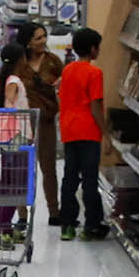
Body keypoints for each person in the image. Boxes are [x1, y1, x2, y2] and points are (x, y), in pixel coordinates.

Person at [57, 26, 107, 241]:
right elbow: (96, 105)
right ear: (93, 48)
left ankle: (67, 225)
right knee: (89, 179)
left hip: (69, 129)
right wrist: (106, 133)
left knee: (70, 178)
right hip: (88, 131)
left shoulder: (67, 70)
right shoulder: (95, 73)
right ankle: (91, 225)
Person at [0, 42, 29, 245]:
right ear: (20, 60)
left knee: (7, 182)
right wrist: (13, 110)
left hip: (5, 136)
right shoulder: (14, 81)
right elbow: (11, 99)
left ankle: (4, 226)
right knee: (16, 185)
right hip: (16, 137)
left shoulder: (3, 79)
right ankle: (2, 227)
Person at [24, 22, 64, 227]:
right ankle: (21, 216)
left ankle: (54, 212)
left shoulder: (53, 62)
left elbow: (64, 86)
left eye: (44, 37)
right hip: (22, 124)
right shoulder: (19, 63)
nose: (43, 41)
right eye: (38, 38)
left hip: (46, 122)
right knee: (21, 169)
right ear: (28, 42)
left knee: (48, 168)